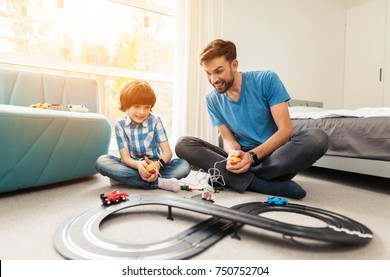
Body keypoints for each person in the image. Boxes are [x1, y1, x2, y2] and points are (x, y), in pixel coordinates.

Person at [175, 39, 329, 199]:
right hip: (242, 156)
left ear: (234, 65)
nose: (213, 80)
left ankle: (232, 178)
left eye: (219, 71)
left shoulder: (267, 80)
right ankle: (260, 184)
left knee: (318, 138)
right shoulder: (212, 100)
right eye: (208, 73)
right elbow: (228, 139)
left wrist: (252, 157)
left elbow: (285, 130)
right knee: (183, 144)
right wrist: (233, 152)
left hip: (274, 157)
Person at [95, 80, 191, 191]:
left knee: (184, 165)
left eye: (147, 107)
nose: (142, 112)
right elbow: (125, 158)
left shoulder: (155, 122)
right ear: (127, 105)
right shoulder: (120, 125)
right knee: (101, 161)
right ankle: (158, 182)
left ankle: (127, 180)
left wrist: (157, 165)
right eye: (136, 106)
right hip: (132, 166)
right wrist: (138, 165)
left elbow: (167, 153)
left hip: (156, 166)